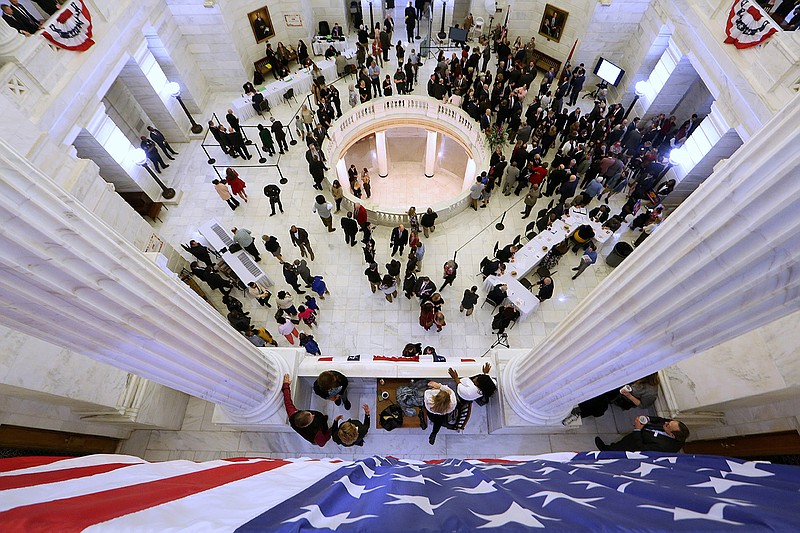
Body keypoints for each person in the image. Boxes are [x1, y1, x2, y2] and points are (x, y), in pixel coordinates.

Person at [563, 373, 660, 425]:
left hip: (624, 397)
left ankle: (579, 412)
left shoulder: (651, 391)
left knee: (601, 400)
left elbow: (643, 405)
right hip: (618, 386)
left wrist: (628, 395)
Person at [282, 374, 331, 447]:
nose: (313, 415)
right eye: (312, 417)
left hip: (319, 422)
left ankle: (324, 419)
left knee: (321, 419)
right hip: (321, 428)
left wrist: (286, 385)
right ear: (307, 424)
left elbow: (287, 400)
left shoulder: (292, 414)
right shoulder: (315, 434)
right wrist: (329, 432)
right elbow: (322, 442)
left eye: (310, 414)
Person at [595, 417, 690, 453]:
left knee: (620, 448)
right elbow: (660, 420)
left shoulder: (665, 447)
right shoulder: (670, 425)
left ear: (672, 435)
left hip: (635, 443)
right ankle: (612, 446)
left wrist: (637, 430)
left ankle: (607, 451)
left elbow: (642, 448)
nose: (666, 422)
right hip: (640, 433)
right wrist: (647, 419)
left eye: (668, 425)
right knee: (621, 442)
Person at [425, 380, 457, 445]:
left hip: (432, 413)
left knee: (437, 419)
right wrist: (440, 386)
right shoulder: (453, 402)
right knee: (440, 417)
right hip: (445, 412)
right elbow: (449, 390)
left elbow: (427, 391)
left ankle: (434, 432)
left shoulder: (430, 401)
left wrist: (435, 387)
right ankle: (434, 432)